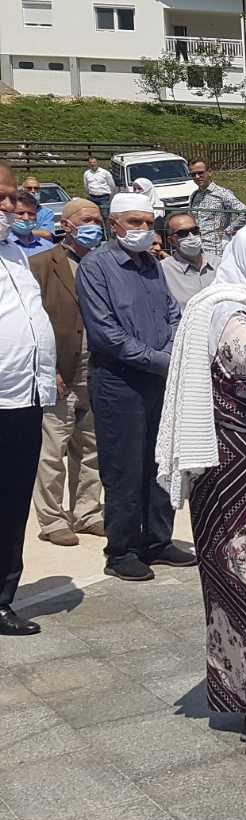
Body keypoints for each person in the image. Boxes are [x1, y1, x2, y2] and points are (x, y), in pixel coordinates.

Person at [155, 224, 246, 755]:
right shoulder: (234, 309)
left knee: (241, 585)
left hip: (233, 468)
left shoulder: (222, 301)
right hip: (242, 472)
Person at [76, 190, 193, 581]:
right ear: (115, 225)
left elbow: (172, 312)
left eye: (148, 222)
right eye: (134, 223)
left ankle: (157, 540)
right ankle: (122, 548)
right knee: (124, 466)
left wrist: (174, 349)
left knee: (159, 460)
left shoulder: (152, 265)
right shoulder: (97, 267)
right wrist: (160, 359)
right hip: (118, 380)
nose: (142, 230)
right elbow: (106, 332)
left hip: (158, 379)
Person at [29, 198, 104, 547]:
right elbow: (35, 321)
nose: (95, 226)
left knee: (91, 447)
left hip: (98, 370)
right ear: (68, 224)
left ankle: (87, 512)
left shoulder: (104, 263)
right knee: (53, 447)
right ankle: (52, 518)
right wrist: (48, 368)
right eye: (88, 219)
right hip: (61, 370)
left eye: (99, 220)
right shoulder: (42, 265)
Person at [0, 169, 55, 636]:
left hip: (25, 395)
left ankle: (3, 595)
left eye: (9, 196)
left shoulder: (16, 255)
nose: (7, 205)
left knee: (13, 499)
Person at [186, 161, 246, 257]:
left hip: (217, 249)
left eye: (200, 173)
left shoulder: (222, 193)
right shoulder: (194, 196)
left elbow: (245, 212)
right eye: (193, 174)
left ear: (209, 172)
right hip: (197, 248)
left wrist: (227, 231)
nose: (197, 177)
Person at [159, 212, 218, 308]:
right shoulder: (163, 271)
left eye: (194, 231)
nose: (191, 236)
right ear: (171, 241)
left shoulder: (219, 264)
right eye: (183, 233)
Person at [9, 191, 54, 255]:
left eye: (31, 214)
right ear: (9, 214)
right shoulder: (3, 247)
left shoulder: (48, 247)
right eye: (20, 213)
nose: (26, 218)